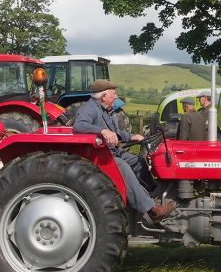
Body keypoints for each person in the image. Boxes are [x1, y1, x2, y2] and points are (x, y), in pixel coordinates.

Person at [74, 79, 176, 222]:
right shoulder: (89, 108)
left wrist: (132, 136)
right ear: (104, 96)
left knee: (139, 161)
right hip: (101, 155)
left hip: (113, 152)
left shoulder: (106, 110)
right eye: (113, 94)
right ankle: (152, 210)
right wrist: (102, 130)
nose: (116, 97)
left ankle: (154, 194)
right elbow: (79, 126)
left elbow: (116, 132)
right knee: (123, 167)